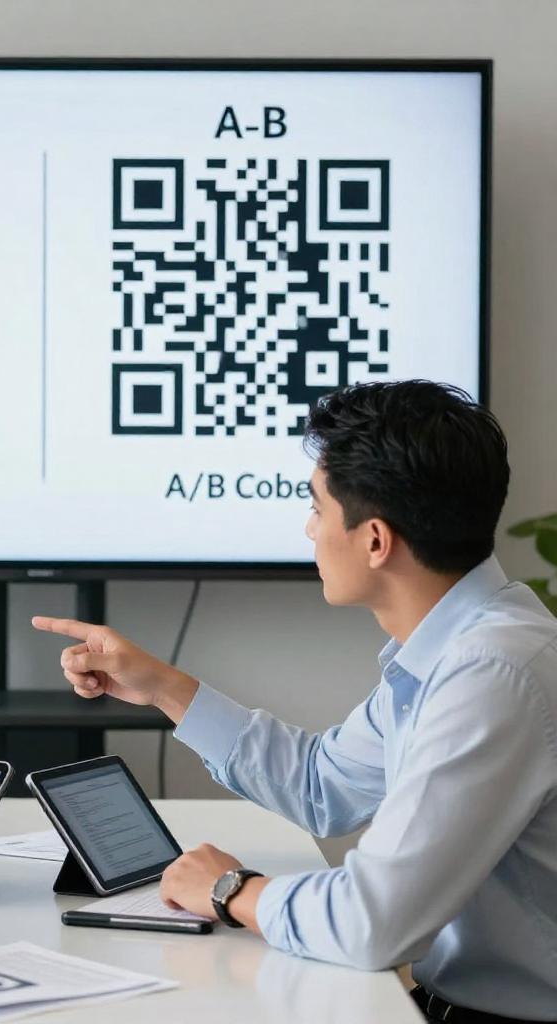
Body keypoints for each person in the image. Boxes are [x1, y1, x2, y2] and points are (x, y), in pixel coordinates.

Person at [34, 381, 557, 1024]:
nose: (308, 528)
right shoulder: (463, 645)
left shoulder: (491, 673)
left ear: (374, 540)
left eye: (316, 507)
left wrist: (231, 892)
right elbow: (322, 786)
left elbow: (373, 923)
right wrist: (162, 686)